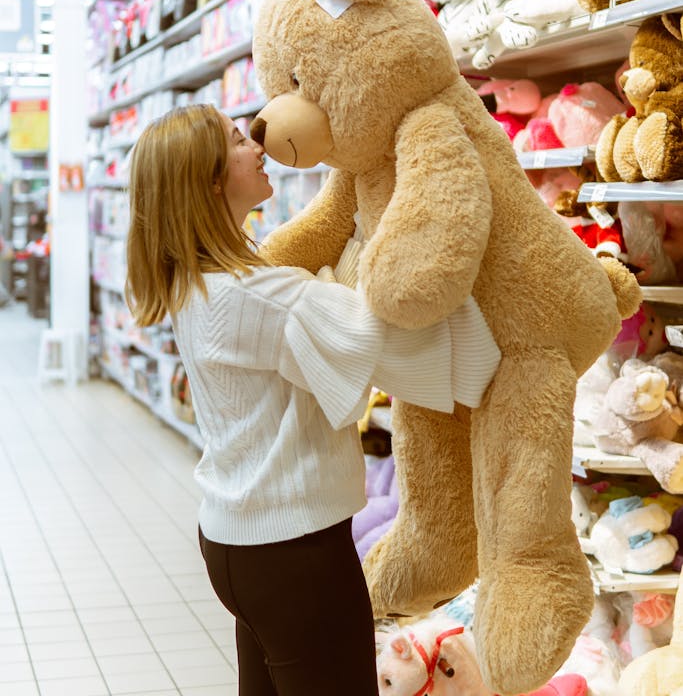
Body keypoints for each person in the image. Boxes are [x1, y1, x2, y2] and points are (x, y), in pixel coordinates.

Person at [125, 103, 501, 696]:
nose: (256, 143)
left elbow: (319, 317)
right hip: (293, 553)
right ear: (212, 179)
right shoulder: (256, 294)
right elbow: (373, 329)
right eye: (235, 139)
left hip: (237, 543)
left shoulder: (199, 282)